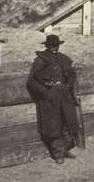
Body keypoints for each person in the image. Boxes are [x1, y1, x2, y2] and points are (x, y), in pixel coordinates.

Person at [26, 34, 80, 163]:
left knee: (67, 122)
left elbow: (72, 75)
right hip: (50, 97)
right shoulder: (40, 60)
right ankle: (58, 154)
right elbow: (31, 82)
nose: (55, 48)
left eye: (57, 46)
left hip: (64, 95)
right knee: (53, 126)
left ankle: (65, 148)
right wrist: (46, 93)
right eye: (52, 46)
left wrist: (68, 86)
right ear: (47, 46)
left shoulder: (63, 59)